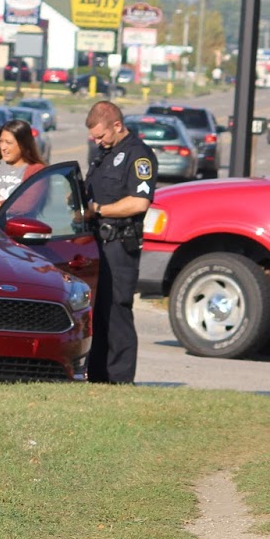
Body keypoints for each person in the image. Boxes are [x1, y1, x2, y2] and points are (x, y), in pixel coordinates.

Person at [83, 101, 156, 384]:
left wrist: (98, 210)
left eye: (101, 136)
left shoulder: (138, 156)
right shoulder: (104, 155)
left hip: (120, 244)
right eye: (94, 138)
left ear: (117, 125)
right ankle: (98, 376)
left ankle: (120, 379)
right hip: (97, 243)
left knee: (117, 311)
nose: (98, 142)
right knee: (97, 311)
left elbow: (139, 202)